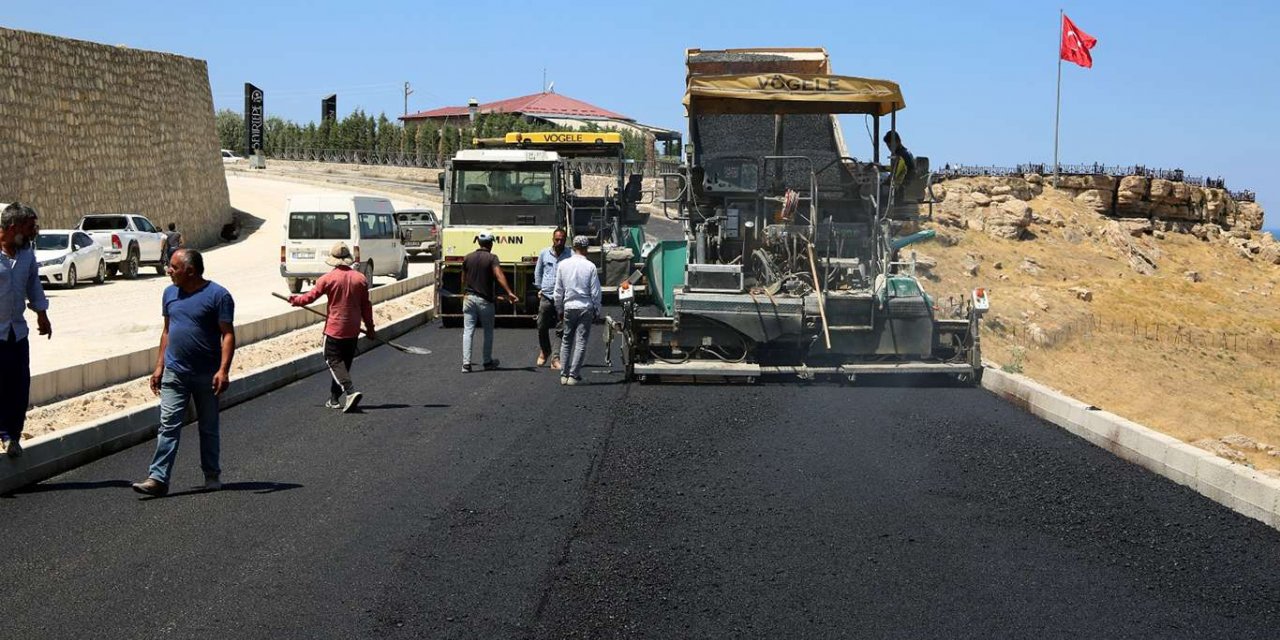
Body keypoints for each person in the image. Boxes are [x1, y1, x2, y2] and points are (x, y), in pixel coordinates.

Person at [132, 249, 235, 497]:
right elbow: (167, 331)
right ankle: (158, 479)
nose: (168, 271)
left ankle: (212, 475)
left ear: (190, 271)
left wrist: (223, 370)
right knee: (168, 426)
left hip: (207, 375)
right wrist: (159, 366)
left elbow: (228, 334)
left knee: (208, 427)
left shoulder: (218, 296)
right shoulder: (169, 294)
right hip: (175, 373)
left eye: (173, 267)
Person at [289, 242, 374, 413]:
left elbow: (310, 297)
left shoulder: (327, 279)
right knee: (343, 364)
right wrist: (370, 328)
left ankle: (350, 392)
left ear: (333, 260)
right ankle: (334, 399)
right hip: (353, 329)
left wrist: (295, 300)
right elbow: (366, 306)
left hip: (335, 329)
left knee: (332, 359)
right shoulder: (360, 279)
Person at [0, 203, 52, 458]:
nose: (33, 232)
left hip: (17, 332)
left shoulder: (27, 253)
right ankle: (4, 434)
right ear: (13, 227)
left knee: (19, 386)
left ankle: (13, 436)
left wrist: (42, 314)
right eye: (30, 227)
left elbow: (34, 284)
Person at [461, 232, 519, 373]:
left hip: (468, 298)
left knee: (468, 331)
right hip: (485, 301)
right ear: (490, 244)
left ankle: (466, 364)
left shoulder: (468, 257)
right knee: (488, 332)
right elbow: (498, 275)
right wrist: (509, 292)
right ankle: (487, 361)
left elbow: (463, 278)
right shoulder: (492, 258)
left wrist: (465, 293)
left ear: (479, 243)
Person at [553, 235, 602, 386]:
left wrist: (559, 308)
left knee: (566, 340)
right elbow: (595, 292)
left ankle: (563, 374)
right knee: (581, 342)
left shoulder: (563, 265)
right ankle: (574, 375)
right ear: (586, 249)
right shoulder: (590, 267)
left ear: (573, 247)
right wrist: (597, 310)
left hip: (568, 307)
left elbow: (558, 291)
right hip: (585, 307)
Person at [533, 228, 571, 368]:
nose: (559, 242)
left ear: (565, 240)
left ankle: (555, 358)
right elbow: (538, 272)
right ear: (552, 239)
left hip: (563, 296)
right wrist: (539, 288)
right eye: (557, 239)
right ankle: (545, 350)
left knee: (561, 328)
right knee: (541, 325)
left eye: (562, 239)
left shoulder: (570, 255)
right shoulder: (544, 253)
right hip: (547, 295)